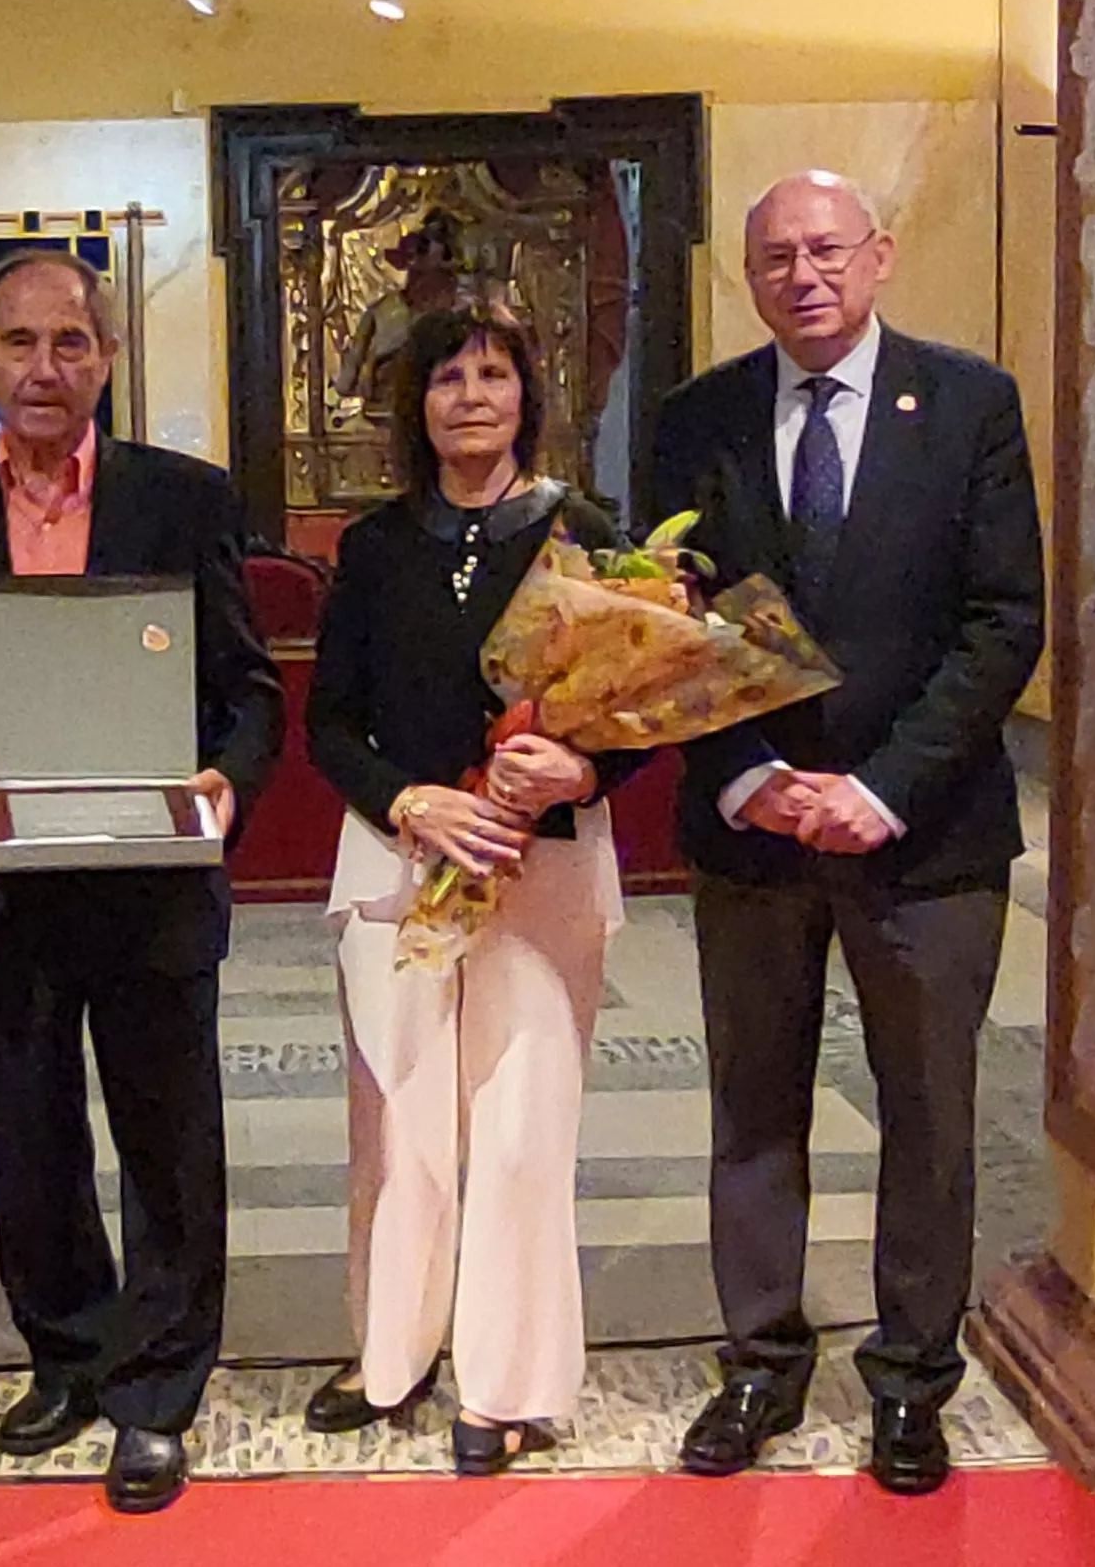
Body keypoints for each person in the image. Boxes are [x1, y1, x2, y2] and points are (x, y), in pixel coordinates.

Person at [646, 172, 1044, 1496]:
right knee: (753, 1109)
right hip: (753, 832)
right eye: (776, 257)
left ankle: (913, 1378)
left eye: (825, 250)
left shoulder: (970, 405)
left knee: (927, 1115)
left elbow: (1003, 621)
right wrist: (748, 773)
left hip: (925, 839)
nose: (803, 275)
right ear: (748, 276)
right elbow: (667, 624)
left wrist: (882, 787)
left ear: (879, 256)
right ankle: (759, 1362)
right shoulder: (697, 418)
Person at [0, 248, 282, 1516]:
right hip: (1, 882)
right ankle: (66, 1355)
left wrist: (224, 780)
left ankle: (156, 1392)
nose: (44, 368)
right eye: (19, 342)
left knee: (169, 1144)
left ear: (106, 358)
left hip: (150, 876)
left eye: (70, 342)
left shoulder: (185, 499)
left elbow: (249, 687)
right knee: (30, 1140)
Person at [303, 303, 639, 1474]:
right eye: (448, 378)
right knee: (399, 1129)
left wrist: (583, 771)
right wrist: (409, 800)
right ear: (419, 405)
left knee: (520, 1134)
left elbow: (639, 710)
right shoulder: (375, 546)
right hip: (399, 861)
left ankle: (506, 1381)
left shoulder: (583, 535)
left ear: (527, 396)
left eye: (494, 373)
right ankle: (388, 1353)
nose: (472, 396)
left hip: (540, 866)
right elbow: (329, 723)